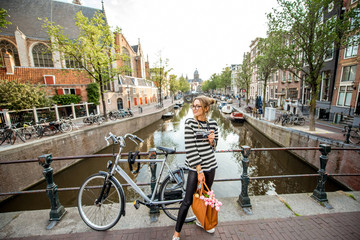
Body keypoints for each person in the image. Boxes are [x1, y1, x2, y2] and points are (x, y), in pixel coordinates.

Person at [172, 95, 219, 240]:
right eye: (193, 106)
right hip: (194, 167)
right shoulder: (189, 123)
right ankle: (176, 233)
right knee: (187, 200)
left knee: (205, 196)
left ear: (206, 108)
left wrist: (212, 141)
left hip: (211, 165)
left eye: (198, 106)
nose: (194, 109)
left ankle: (201, 221)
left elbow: (215, 147)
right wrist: (199, 170)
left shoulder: (213, 124)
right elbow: (191, 149)